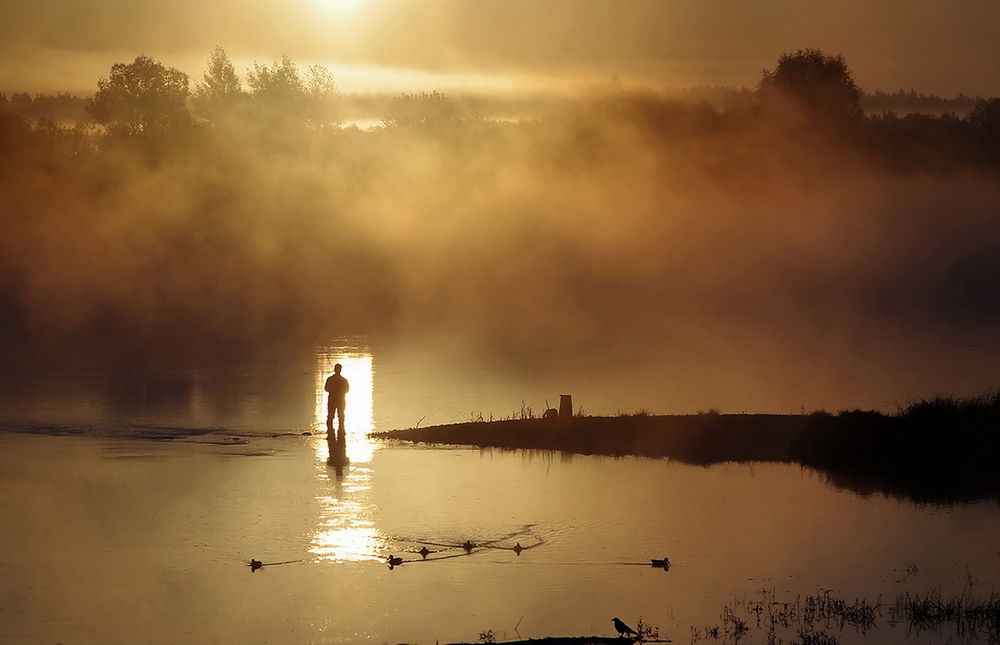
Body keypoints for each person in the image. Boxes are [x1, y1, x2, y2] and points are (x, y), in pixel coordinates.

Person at [324, 363, 350, 434]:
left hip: (332, 400)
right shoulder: (344, 380)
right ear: (340, 370)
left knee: (330, 416)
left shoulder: (330, 379)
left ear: (334, 370)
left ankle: (330, 432)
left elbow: (326, 389)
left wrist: (333, 390)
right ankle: (341, 432)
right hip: (341, 400)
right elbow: (347, 390)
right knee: (341, 416)